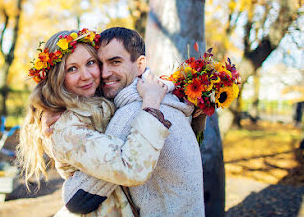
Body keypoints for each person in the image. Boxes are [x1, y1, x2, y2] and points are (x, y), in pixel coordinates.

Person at [43, 27, 205, 216]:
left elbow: (79, 200)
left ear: (140, 64)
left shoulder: (135, 111)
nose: (102, 74)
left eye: (115, 62)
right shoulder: (165, 97)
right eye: (99, 63)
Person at [17, 28, 174, 216]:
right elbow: (132, 168)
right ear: (57, 77)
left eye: (90, 63)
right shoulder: (65, 129)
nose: (86, 75)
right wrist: (151, 105)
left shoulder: (99, 102)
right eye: (72, 68)